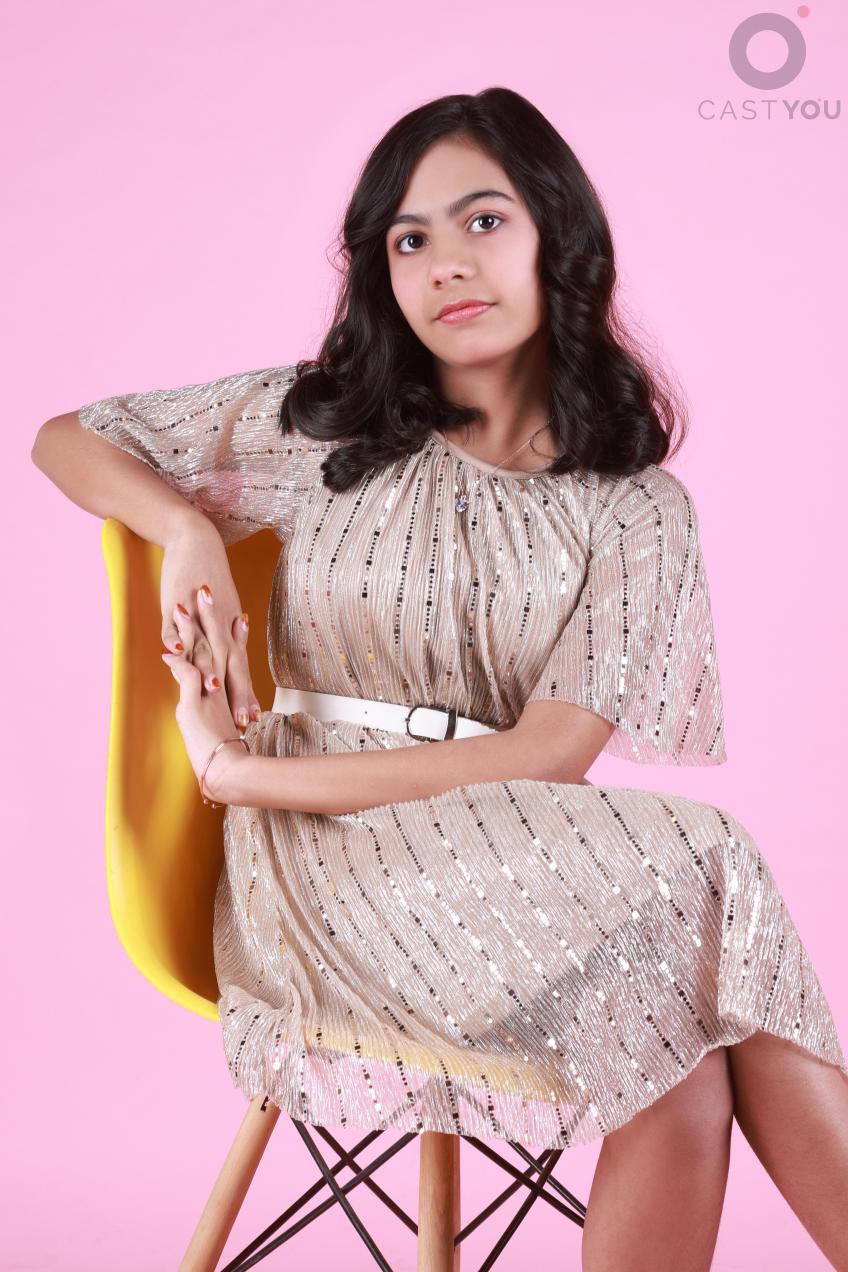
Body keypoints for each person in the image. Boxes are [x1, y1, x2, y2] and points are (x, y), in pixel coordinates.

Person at [32, 87, 848, 1271]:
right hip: (321, 868)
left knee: (681, 1037)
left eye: (482, 221)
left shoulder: (634, 507)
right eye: (408, 239)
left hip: (510, 862)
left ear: (559, 237)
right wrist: (185, 527)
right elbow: (67, 436)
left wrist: (239, 772)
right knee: (705, 882)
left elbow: (549, 754)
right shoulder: (315, 431)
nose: (445, 264)